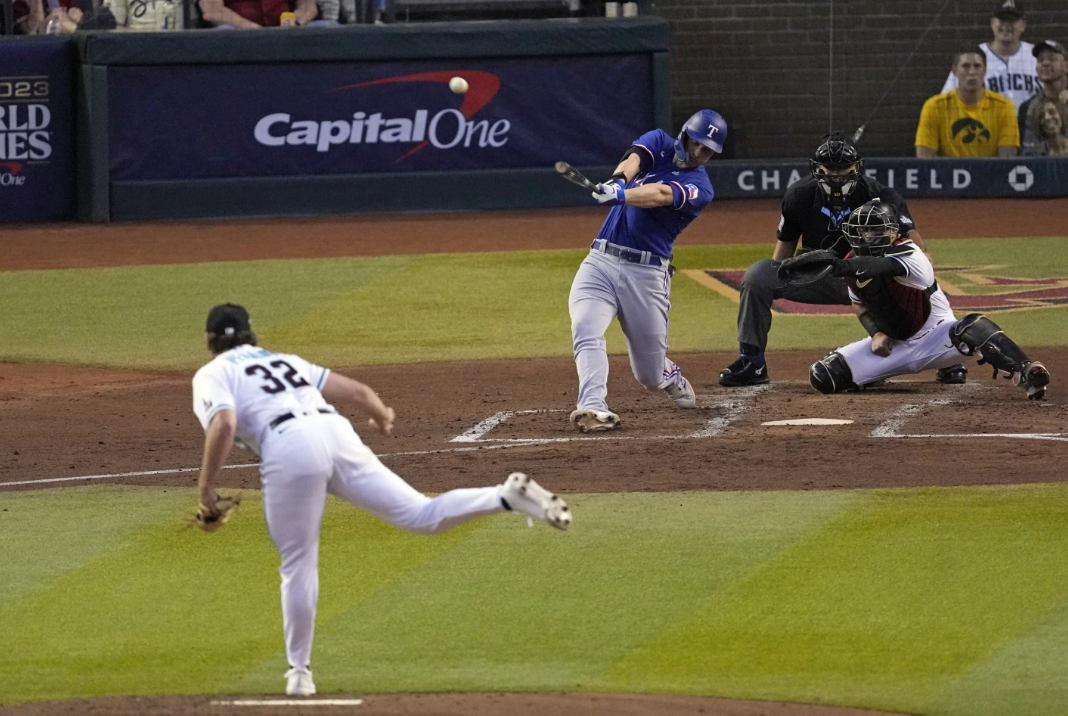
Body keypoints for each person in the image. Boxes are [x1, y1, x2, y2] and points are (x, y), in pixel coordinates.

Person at [191, 304, 571, 696]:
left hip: (288, 448)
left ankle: (299, 674)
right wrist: (381, 414)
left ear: (209, 341)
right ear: (252, 334)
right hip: (336, 432)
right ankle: (504, 496)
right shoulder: (284, 361)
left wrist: (206, 489)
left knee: (299, 563)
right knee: (421, 514)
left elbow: (225, 422)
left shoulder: (213, 373)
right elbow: (357, 392)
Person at [717, 133, 969, 387]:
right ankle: (752, 363)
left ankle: (948, 357)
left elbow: (915, 244)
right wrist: (779, 278)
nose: (837, 174)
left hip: (873, 279)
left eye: (843, 168)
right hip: (822, 277)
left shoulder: (880, 195)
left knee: (920, 269)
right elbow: (782, 254)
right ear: (817, 168)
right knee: (758, 275)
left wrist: (906, 268)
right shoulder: (799, 195)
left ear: (856, 167)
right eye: (830, 168)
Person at [778, 201, 1050, 400]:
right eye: (861, 232)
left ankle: (1026, 371)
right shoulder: (851, 265)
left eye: (874, 230)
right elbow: (860, 303)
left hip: (940, 336)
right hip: (896, 345)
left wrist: (838, 267)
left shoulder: (911, 255)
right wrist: (876, 333)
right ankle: (877, 374)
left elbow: (882, 267)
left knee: (970, 325)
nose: (867, 237)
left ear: (894, 232)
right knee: (823, 377)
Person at [567, 110, 726, 433]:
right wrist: (617, 181)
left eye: (708, 149)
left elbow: (659, 195)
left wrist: (622, 195)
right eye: (697, 143)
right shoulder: (658, 141)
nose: (699, 153)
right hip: (600, 262)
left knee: (649, 376)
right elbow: (633, 160)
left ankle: (669, 376)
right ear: (685, 135)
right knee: (585, 327)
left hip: (647, 275)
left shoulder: (700, 187)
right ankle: (593, 406)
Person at [917, 50, 1020, 158]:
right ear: (954, 71)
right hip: (948, 173)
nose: (971, 72)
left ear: (985, 71)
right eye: (965, 66)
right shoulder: (934, 106)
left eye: (977, 66)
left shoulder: (1004, 106)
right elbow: (925, 159)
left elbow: (1007, 158)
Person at [940, 0, 1039, 111]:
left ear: (1023, 25)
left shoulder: (1037, 55)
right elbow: (946, 100)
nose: (1006, 24)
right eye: (1002, 19)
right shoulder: (973, 58)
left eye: (1012, 20)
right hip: (985, 126)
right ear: (992, 23)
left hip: (1029, 127)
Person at [1018, 40, 1068, 151]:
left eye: (1052, 59)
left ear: (1066, 66)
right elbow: (1025, 152)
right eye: (1040, 60)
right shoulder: (1027, 108)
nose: (1045, 63)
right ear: (1036, 69)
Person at [198, 0, 315, 27]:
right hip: (237, 35)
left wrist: (297, 22)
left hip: (285, 33)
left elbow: (308, 6)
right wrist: (254, 30)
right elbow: (213, 12)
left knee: (327, 26)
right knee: (224, 31)